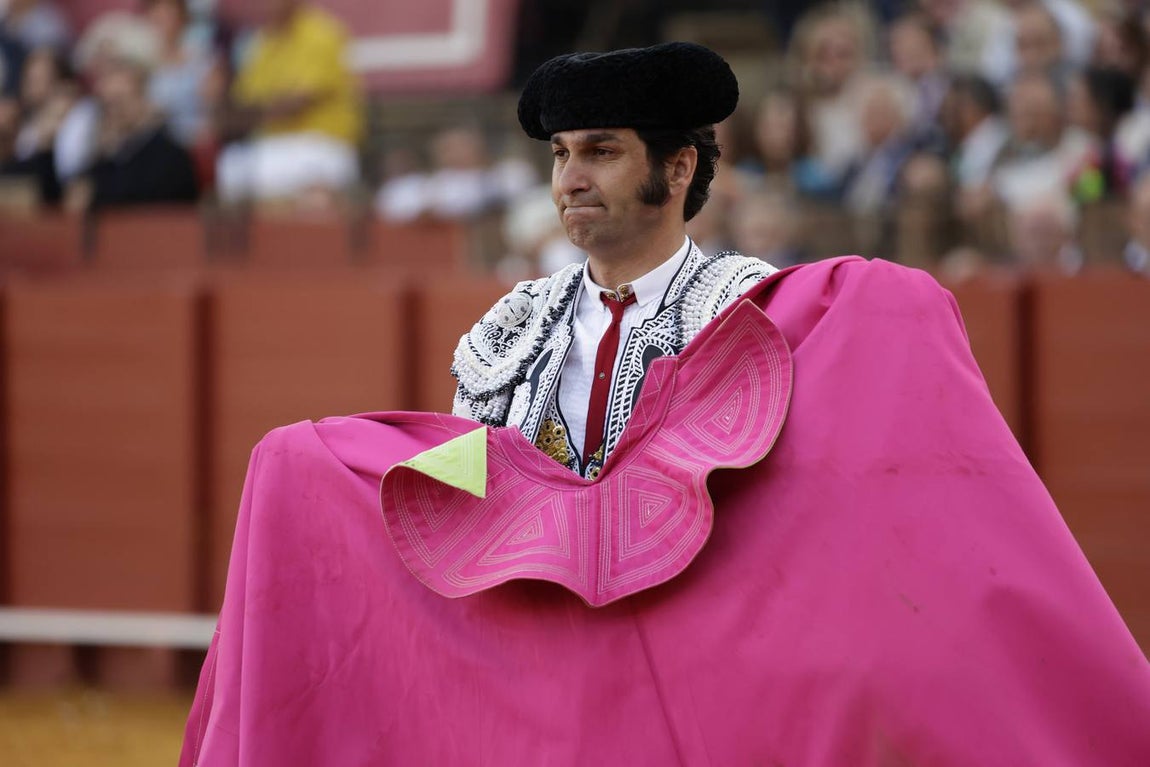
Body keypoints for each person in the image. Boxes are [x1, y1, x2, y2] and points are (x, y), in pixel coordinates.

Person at [181, 42, 1150, 767]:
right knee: (296, 461)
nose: (570, 178)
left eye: (599, 151)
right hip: (545, 674)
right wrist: (382, 478)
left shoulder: (756, 314)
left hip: (712, 676)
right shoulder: (509, 325)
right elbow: (479, 489)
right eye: (560, 154)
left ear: (677, 167)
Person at [214, 0, 362, 207]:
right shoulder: (264, 41)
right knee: (231, 166)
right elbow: (243, 100)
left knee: (288, 175)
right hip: (272, 145)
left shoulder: (321, 32)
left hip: (321, 142)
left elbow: (298, 102)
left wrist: (257, 112)